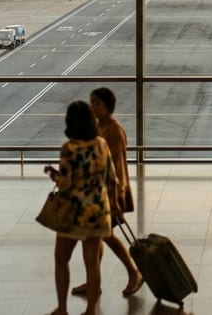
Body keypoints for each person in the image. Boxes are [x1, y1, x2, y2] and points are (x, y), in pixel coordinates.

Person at [44, 100, 117, 315]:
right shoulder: (102, 144)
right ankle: (91, 310)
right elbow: (111, 178)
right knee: (92, 264)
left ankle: (62, 308)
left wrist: (53, 174)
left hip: (73, 213)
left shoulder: (69, 149)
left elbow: (66, 183)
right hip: (97, 211)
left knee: (61, 260)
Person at [71, 88, 143, 299]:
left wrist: (115, 197)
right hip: (96, 194)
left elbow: (117, 166)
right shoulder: (97, 127)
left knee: (104, 235)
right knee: (97, 238)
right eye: (92, 102)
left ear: (107, 106)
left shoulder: (113, 130)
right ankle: (94, 281)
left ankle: (133, 272)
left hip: (109, 195)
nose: (93, 106)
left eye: (98, 103)